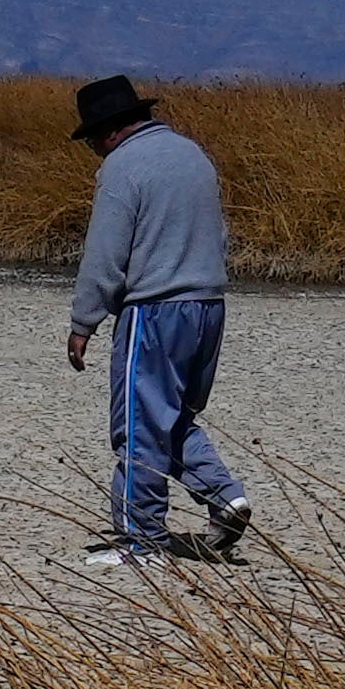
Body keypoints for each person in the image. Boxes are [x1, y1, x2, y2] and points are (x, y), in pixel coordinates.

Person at [62, 72, 253, 570]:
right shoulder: (193, 156)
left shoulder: (125, 167)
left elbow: (105, 254)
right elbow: (220, 234)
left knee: (138, 424)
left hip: (155, 309)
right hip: (208, 305)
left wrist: (85, 320)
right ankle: (224, 497)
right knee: (172, 415)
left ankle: (139, 539)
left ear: (108, 132)